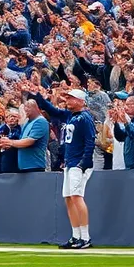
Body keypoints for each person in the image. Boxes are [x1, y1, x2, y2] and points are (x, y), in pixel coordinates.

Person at [32, 87, 96, 249]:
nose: (68, 100)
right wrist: (38, 95)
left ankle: (85, 237)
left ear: (81, 101)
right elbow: (51, 110)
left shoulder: (85, 118)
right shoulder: (70, 115)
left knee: (76, 196)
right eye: (67, 98)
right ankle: (75, 236)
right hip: (69, 162)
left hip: (78, 162)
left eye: (71, 98)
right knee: (69, 198)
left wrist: (84, 162)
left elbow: (90, 141)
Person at [0, 98, 49, 173]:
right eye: (25, 107)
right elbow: (20, 140)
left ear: (36, 108)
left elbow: (29, 141)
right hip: (23, 166)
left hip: (34, 165)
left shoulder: (40, 121)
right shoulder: (27, 122)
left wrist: (10, 142)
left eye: (28, 107)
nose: (26, 109)